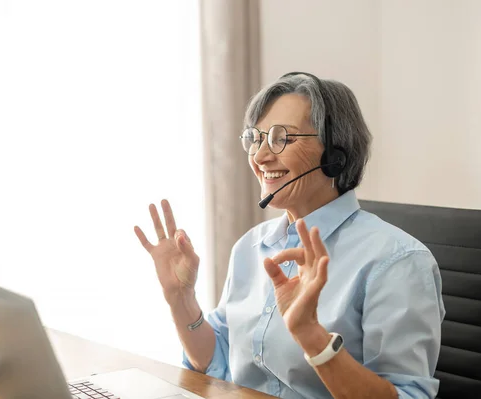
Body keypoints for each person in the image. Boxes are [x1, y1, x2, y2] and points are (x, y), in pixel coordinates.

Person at [134, 72, 445, 399]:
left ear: (334, 155)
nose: (260, 156)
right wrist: (181, 300)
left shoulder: (397, 261)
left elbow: (409, 396)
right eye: (256, 138)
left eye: (282, 138)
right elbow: (219, 359)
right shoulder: (250, 247)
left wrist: (311, 335)